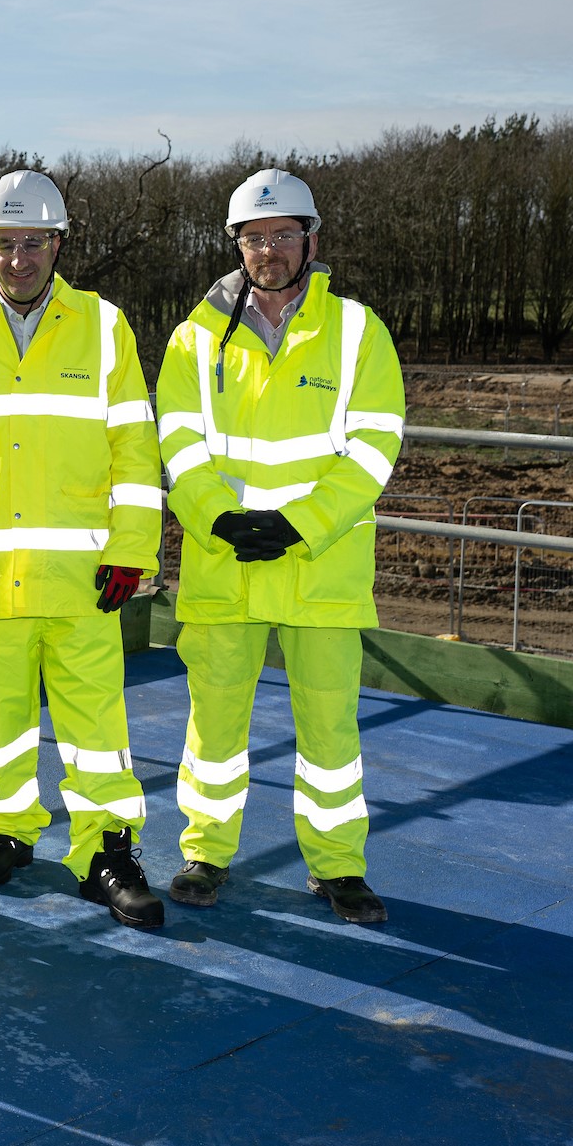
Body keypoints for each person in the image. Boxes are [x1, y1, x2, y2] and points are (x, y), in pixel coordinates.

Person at [154, 168, 406, 925]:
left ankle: (339, 868)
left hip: (317, 567)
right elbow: (177, 443)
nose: (268, 251)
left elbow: (373, 448)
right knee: (216, 728)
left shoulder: (359, 332)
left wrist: (300, 524)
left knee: (330, 731)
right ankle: (205, 852)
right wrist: (220, 518)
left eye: (283, 236)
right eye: (254, 238)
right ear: (236, 245)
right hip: (225, 563)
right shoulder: (194, 337)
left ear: (311, 241)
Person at [0, 170, 165, 927]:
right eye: (3, 244)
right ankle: (4, 830)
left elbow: (135, 446)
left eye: (32, 242)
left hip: (82, 578)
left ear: (58, 243)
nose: (18, 259)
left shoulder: (104, 327)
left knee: (97, 727)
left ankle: (106, 852)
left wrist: (133, 547)